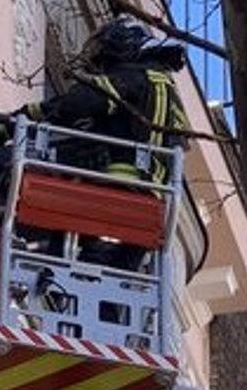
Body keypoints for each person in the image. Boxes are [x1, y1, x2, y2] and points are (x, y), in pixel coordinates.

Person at [14, 19, 189, 270]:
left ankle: (49, 271)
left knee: (57, 235)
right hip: (153, 211)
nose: (102, 66)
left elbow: (80, 103)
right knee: (116, 273)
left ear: (121, 47)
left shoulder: (135, 77)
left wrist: (27, 115)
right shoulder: (170, 96)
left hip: (113, 188)